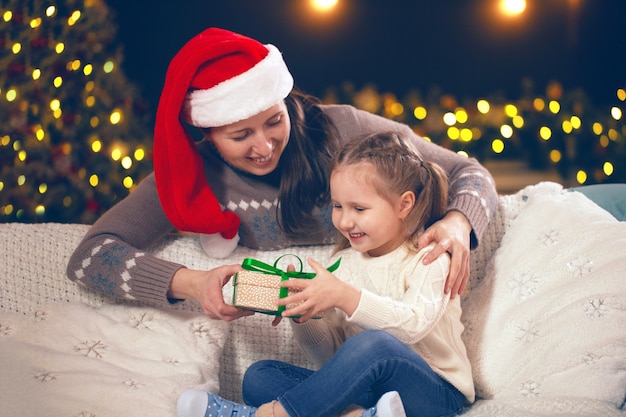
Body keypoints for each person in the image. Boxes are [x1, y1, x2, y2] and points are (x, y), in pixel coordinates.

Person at [66, 27, 497, 321]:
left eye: (274, 121)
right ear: (208, 133)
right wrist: (193, 284)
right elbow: (88, 258)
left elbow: (468, 172)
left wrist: (458, 223)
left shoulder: (344, 129)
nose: (264, 145)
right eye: (240, 135)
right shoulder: (188, 175)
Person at [176, 131, 474, 417]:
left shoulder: (430, 257)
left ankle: (271, 415)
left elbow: (413, 327)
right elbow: (331, 360)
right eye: (337, 206)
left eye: (359, 208)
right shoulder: (344, 264)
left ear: (404, 204)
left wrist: (345, 297)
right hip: (373, 396)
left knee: (374, 343)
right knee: (260, 376)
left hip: (435, 393)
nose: (344, 221)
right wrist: (306, 316)